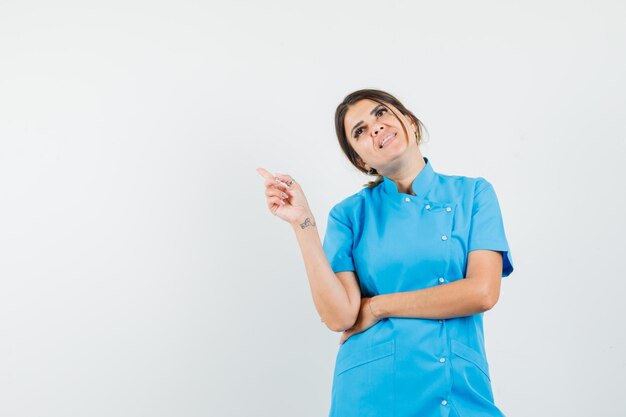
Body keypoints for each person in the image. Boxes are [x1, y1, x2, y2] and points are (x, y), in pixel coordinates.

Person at [256, 88, 514, 417]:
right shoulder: (349, 215)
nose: (375, 127)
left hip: (458, 387)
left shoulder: (473, 194)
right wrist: (302, 222)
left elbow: (482, 292)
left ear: (409, 122)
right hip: (371, 393)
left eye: (380, 114)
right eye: (359, 131)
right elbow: (339, 316)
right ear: (362, 161)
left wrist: (378, 306)